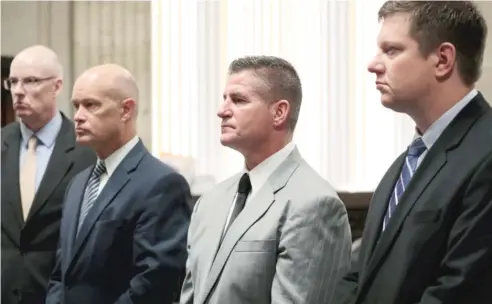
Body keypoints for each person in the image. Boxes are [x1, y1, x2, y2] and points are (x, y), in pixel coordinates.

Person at [339, 2, 492, 304]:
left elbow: (461, 291)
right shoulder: (405, 164)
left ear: (443, 59)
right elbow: (361, 277)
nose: (373, 64)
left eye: (391, 50)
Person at [180, 55, 352, 304]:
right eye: (224, 98)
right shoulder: (209, 202)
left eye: (238, 100)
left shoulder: (314, 204)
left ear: (279, 112)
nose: (222, 111)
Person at [45, 64, 192, 303]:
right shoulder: (77, 184)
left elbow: (155, 282)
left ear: (126, 110)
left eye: (91, 105)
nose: (78, 116)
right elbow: (61, 274)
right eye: (76, 105)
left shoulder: (162, 184)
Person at [1, 45, 96, 304]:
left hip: (59, 294)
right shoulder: (1, 143)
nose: (18, 91)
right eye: (13, 82)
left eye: (30, 81)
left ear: (56, 86)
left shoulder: (87, 151)